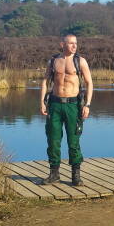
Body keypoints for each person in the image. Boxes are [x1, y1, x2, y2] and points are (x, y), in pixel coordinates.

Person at [39, 34, 93, 186]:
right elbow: (45, 82)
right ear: (62, 44)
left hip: (73, 105)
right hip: (55, 105)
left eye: (76, 43)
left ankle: (76, 175)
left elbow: (89, 83)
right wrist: (42, 102)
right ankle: (54, 174)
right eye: (71, 43)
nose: (74, 46)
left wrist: (87, 105)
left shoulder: (80, 61)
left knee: (73, 140)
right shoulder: (53, 61)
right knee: (53, 139)